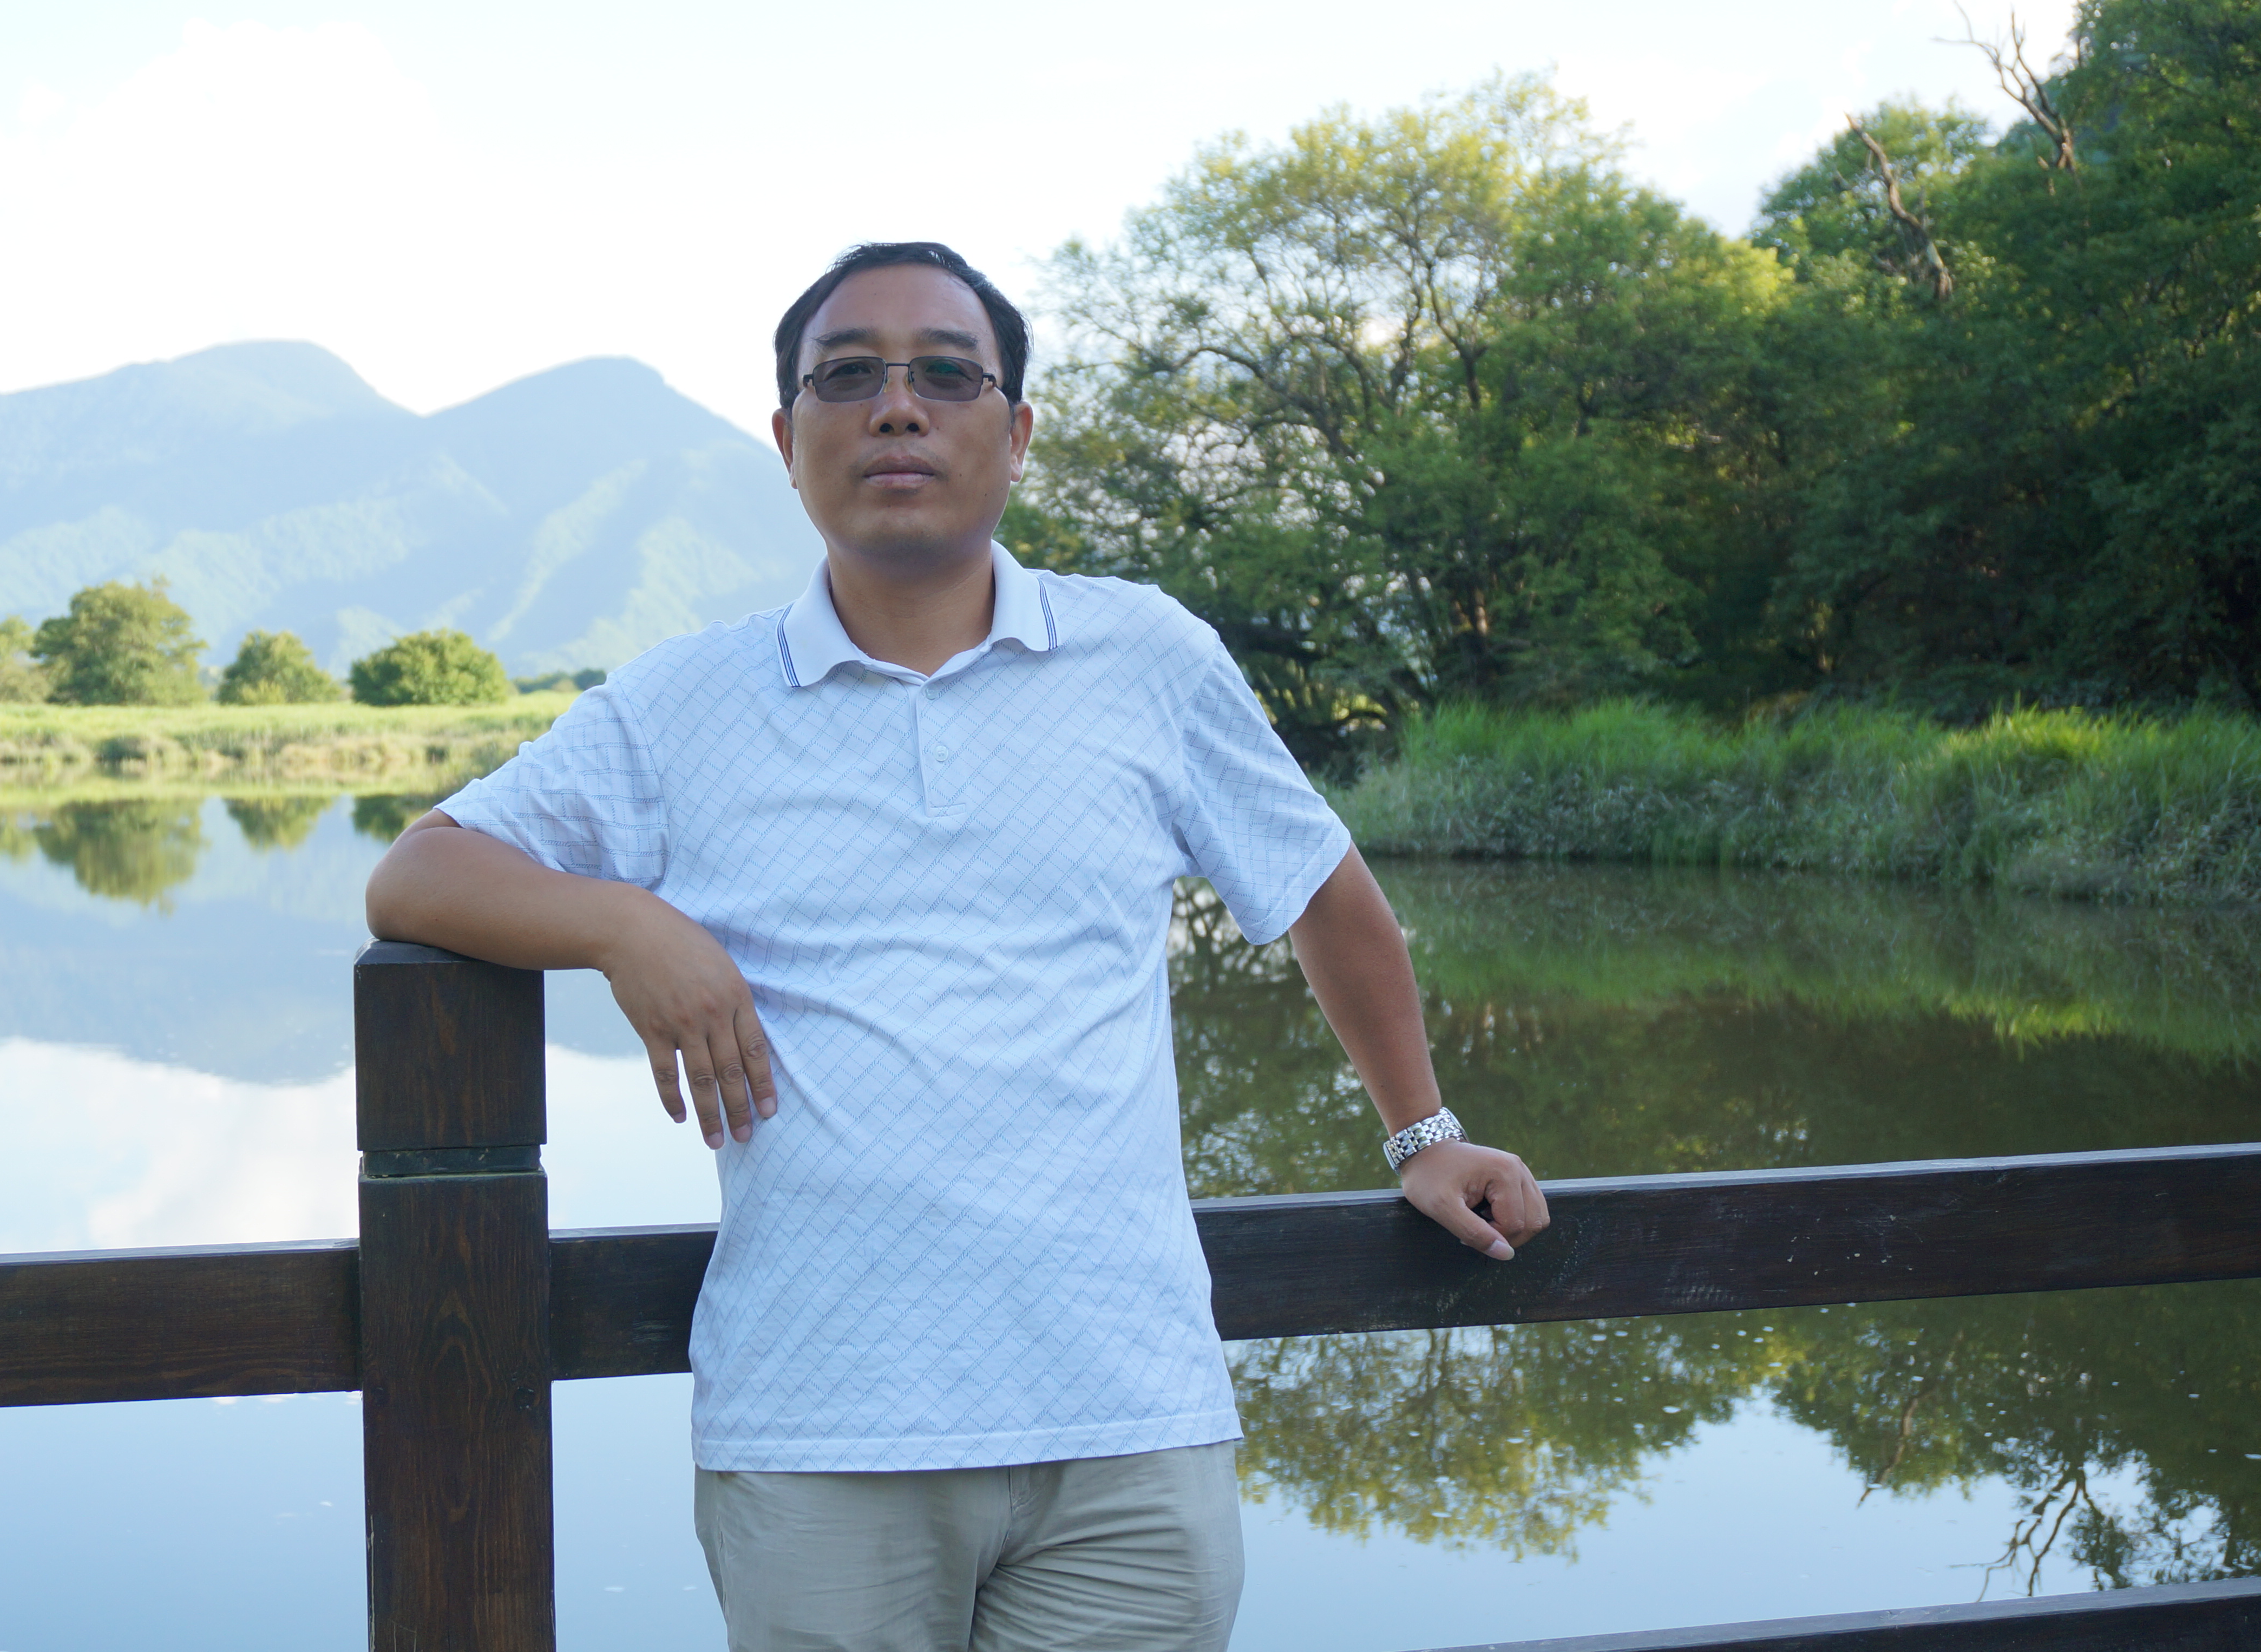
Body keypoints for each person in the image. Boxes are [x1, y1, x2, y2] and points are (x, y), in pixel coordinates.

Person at [363, 241, 1549, 1651]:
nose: (897, 407)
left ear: (1018, 431)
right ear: (786, 439)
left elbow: (1323, 892)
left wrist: (1425, 1135)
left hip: (1128, 1424)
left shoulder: (1146, 658)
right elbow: (418, 871)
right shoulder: (688, 702)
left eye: (944, 373)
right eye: (847, 376)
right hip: (819, 1434)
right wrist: (627, 924)